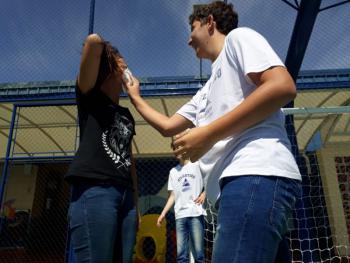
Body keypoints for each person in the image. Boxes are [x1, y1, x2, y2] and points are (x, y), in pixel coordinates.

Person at [124, 1, 302, 262]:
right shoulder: (206, 90)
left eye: (192, 29)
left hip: (255, 173)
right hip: (237, 185)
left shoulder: (238, 39)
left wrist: (208, 134)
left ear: (210, 23)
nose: (188, 40)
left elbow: (282, 86)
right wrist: (135, 97)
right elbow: (167, 125)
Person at [65, 33, 138, 263]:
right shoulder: (89, 95)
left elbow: (129, 157)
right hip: (95, 190)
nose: (127, 68)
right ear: (110, 66)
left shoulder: (126, 113)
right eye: (122, 63)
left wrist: (135, 203)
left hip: (125, 195)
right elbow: (93, 41)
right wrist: (112, 54)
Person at [157, 155, 206, 263]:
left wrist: (205, 193)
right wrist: (163, 213)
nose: (177, 149)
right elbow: (172, 196)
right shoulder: (173, 171)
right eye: (174, 147)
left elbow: (211, 177)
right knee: (181, 256)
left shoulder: (197, 165)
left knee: (199, 255)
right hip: (180, 216)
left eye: (179, 145)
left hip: (195, 213)